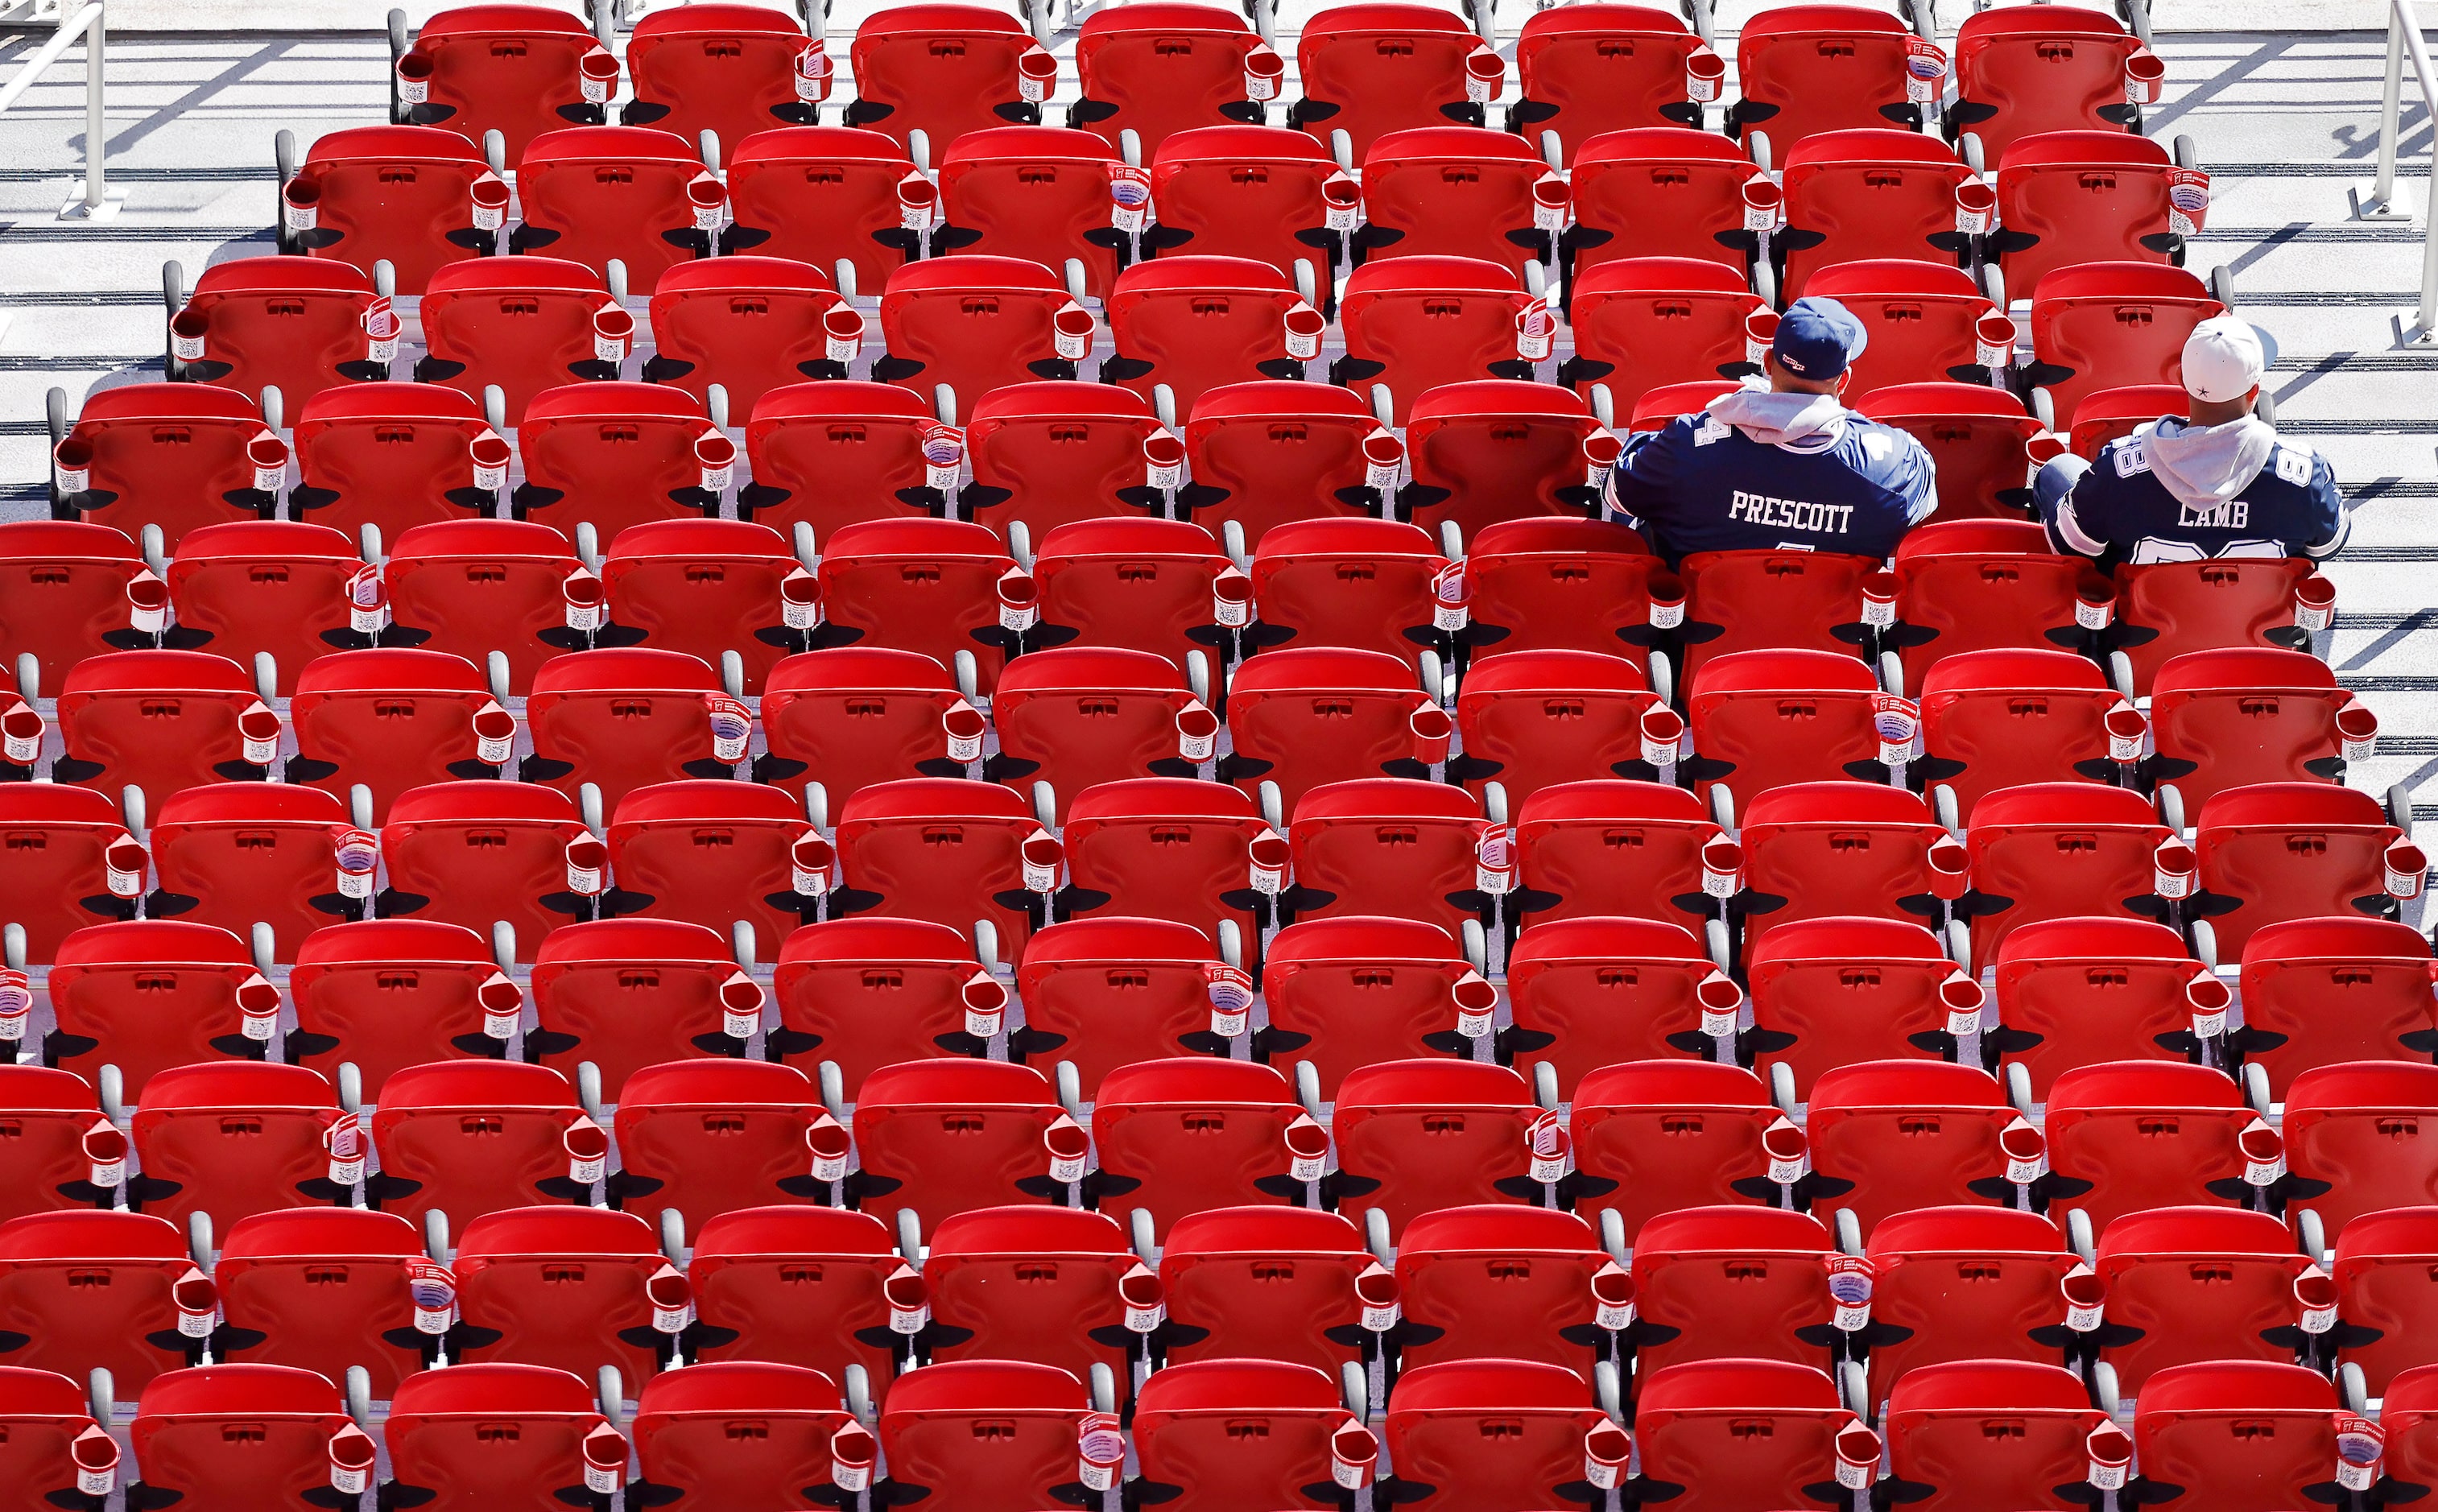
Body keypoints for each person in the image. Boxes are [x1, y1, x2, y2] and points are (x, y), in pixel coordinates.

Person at [1604, 295, 1938, 564]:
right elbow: (1924, 495)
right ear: (1844, 380)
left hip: (1704, 641)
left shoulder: (1687, 448)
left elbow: (1618, 490)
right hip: (1836, 644)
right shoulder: (1891, 465)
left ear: (1766, 362)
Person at [2035, 315, 2348, 567]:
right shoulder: (2306, 477)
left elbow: (2071, 547)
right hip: (2256, 638)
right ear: (2254, 393)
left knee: (2059, 469)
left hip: (2144, 637)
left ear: (2184, 381)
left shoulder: (2117, 472)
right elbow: (2326, 548)